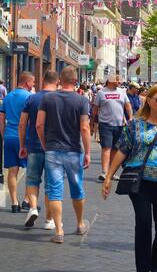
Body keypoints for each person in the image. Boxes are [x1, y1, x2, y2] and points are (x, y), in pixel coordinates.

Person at [102, 84, 157, 272]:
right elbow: (122, 151)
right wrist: (109, 177)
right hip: (141, 183)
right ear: (149, 101)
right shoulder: (135, 125)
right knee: (144, 224)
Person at [36, 66, 91, 243]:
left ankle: (59, 231)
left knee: (54, 191)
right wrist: (88, 152)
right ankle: (80, 223)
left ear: (60, 79)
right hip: (74, 150)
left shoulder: (48, 98)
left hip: (52, 150)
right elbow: (84, 127)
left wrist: (45, 144)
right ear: (75, 81)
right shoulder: (81, 100)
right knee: (77, 187)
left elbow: (38, 125)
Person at [18, 71, 59, 229]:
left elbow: (22, 124)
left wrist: (23, 145)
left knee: (32, 180)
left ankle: (33, 208)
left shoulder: (32, 98)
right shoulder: (59, 98)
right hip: (54, 148)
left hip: (34, 146)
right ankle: (49, 220)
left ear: (43, 80)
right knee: (51, 184)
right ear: (57, 81)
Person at [0, 72, 35, 212]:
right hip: (25, 137)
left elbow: (1, 120)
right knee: (30, 171)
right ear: (27, 82)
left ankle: (14, 203)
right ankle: (27, 200)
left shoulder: (7, 97)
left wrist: (4, 136)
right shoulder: (30, 97)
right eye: (32, 82)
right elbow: (32, 120)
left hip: (9, 137)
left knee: (12, 171)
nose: (33, 85)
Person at [93, 74, 133, 181]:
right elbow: (95, 109)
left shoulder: (122, 92)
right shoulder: (101, 93)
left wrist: (130, 118)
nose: (119, 81)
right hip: (105, 125)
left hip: (119, 125)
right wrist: (92, 123)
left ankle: (112, 172)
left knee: (115, 149)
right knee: (106, 148)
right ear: (110, 80)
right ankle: (104, 172)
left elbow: (128, 106)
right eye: (117, 79)